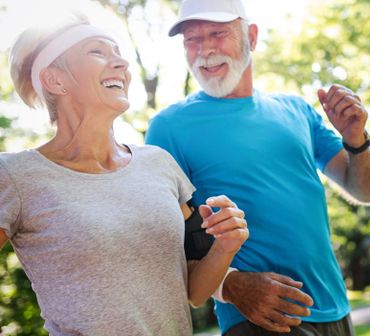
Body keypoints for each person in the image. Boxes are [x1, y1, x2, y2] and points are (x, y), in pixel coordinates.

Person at [0, 13, 248, 335]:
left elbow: (195, 291)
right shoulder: (16, 176)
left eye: (118, 53)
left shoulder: (159, 163)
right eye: (98, 52)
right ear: (55, 80)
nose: (121, 64)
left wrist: (226, 245)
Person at [146, 0, 370, 335]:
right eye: (191, 39)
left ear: (252, 37)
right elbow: (164, 244)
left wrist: (357, 140)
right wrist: (231, 286)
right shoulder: (168, 128)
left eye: (217, 33)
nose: (205, 50)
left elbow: (368, 190)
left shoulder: (297, 111)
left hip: (337, 310)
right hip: (259, 319)